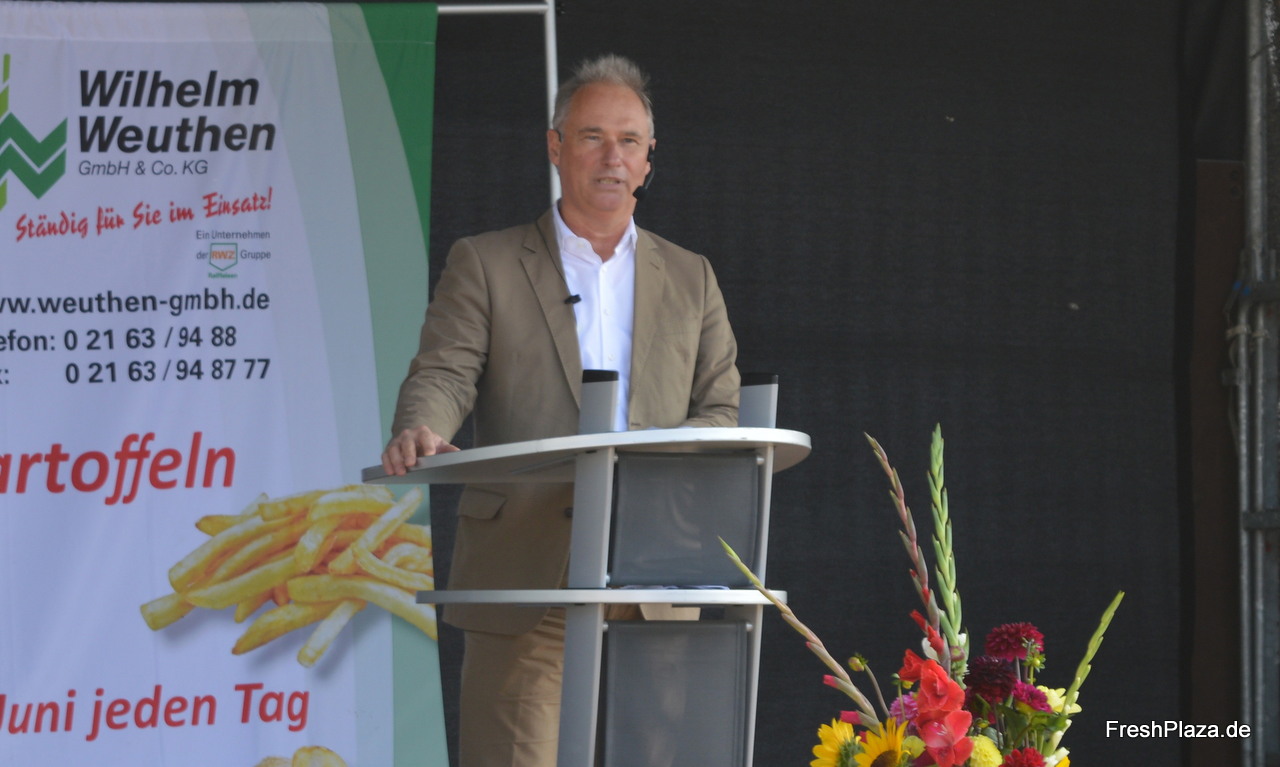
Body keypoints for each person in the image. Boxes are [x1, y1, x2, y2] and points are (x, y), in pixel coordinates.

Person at [381, 53, 740, 767]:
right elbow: (446, 372)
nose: (612, 157)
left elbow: (721, 410)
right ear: (555, 146)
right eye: (592, 137)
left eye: (629, 141)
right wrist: (423, 426)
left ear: (648, 158)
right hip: (526, 571)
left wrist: (647, 457)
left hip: (655, 570)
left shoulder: (692, 276)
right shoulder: (485, 261)